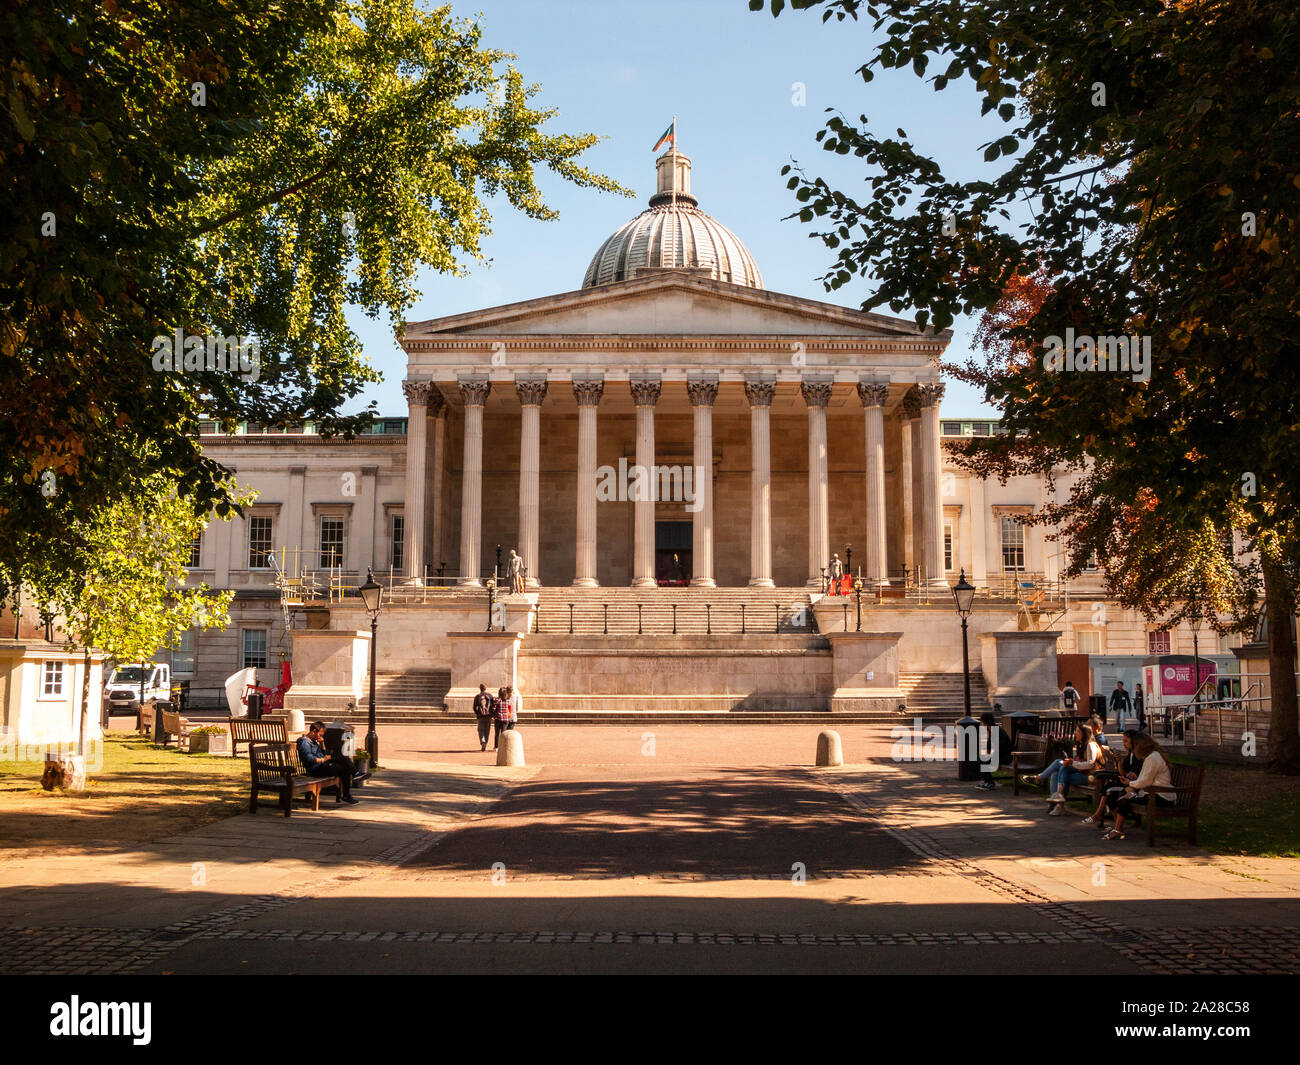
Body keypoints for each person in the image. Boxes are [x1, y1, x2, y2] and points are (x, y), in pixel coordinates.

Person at [1102, 733, 1173, 841]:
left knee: (1125, 799)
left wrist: (1130, 783)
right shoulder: (1151, 756)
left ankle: (1117, 829)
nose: (1133, 750)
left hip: (1160, 796)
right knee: (1116, 794)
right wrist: (1130, 781)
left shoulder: (1153, 758)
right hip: (1151, 793)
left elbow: (1145, 781)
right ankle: (1118, 827)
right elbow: (1144, 779)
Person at [1024, 724, 1102, 815]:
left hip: (1091, 777)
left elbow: (1090, 764)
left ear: (1084, 734)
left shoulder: (1090, 745)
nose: (1075, 733)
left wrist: (1072, 762)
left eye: (1077, 731)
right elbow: (1080, 763)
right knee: (1056, 773)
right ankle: (1057, 803)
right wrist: (1071, 762)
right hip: (1082, 773)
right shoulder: (1081, 745)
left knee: (1060, 767)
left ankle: (1055, 800)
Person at [1083, 728, 1143, 827]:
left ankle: (1100, 815)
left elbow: (1141, 774)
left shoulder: (1139, 756)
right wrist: (1119, 761)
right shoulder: (1130, 754)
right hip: (1127, 782)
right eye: (1123, 741)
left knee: (1109, 789)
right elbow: (1122, 773)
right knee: (1109, 791)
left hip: (1134, 786)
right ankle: (1115, 825)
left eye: (1126, 741)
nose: (1124, 744)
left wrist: (1134, 775)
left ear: (1133, 741)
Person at [296, 721, 360, 804]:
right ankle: (354, 779)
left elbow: (324, 754)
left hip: (322, 766)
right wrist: (323, 760)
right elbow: (309, 759)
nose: (320, 737)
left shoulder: (313, 741)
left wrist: (322, 743)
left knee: (343, 759)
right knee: (344, 767)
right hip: (315, 770)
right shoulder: (305, 742)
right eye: (320, 734)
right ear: (313, 731)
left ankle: (354, 778)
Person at [977, 711, 1011, 790]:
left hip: (1006, 757)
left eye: (982, 722)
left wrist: (991, 756)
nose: (982, 724)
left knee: (984, 761)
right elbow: (989, 744)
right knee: (981, 759)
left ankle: (989, 783)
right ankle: (987, 781)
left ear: (985, 722)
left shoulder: (996, 731)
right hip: (1000, 755)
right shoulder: (991, 729)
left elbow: (1001, 747)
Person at [472, 682, 494, 752]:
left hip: (480, 715)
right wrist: (492, 714)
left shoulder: (477, 696)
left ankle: (482, 741)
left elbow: (474, 707)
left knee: (480, 730)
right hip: (488, 715)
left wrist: (477, 713)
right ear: (486, 688)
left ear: (480, 688)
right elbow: (493, 706)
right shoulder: (490, 696)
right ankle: (486, 743)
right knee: (487, 730)